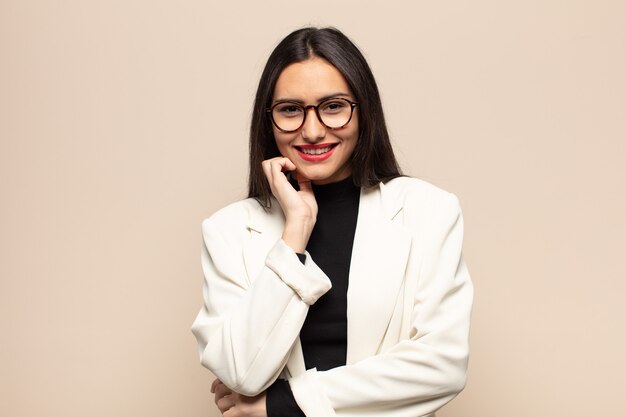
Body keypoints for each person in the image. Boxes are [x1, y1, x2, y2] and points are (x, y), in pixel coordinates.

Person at [191, 27, 473, 417]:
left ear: (363, 110)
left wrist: (283, 403)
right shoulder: (228, 230)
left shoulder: (428, 211)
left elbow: (443, 366)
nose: (312, 130)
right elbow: (241, 371)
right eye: (290, 109)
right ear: (268, 120)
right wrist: (296, 229)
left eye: (334, 106)